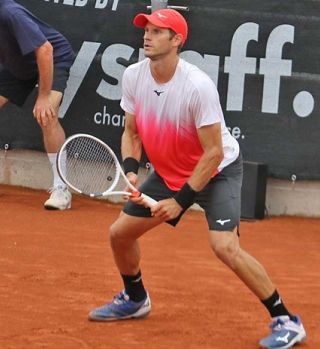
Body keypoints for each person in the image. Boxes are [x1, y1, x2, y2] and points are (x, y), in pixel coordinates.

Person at [88, 8, 306, 349]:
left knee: (225, 247)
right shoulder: (133, 76)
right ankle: (135, 298)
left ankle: (285, 319)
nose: (147, 35)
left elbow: (214, 153)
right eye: (146, 29)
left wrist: (180, 202)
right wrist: (131, 171)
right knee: (119, 235)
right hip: (168, 172)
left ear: (177, 40)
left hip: (216, 172)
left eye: (158, 31)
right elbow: (131, 132)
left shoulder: (196, 86)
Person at [0, 0, 74, 210]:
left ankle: (61, 189)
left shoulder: (10, 13)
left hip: (53, 58)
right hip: (18, 66)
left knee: (47, 115)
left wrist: (43, 96)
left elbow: (45, 49)